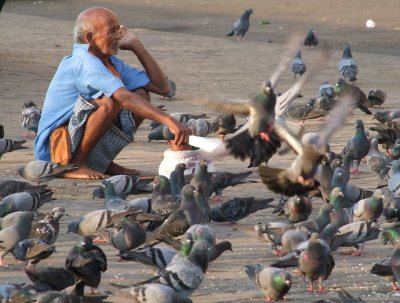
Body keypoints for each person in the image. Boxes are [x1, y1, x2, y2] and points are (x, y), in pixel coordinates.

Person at [34, 7, 191, 180]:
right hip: (54, 150)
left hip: (71, 139)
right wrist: (168, 120)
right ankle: (76, 164)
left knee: (140, 94)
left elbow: (163, 88)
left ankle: (101, 161)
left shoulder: (110, 61)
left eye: (119, 29)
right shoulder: (84, 62)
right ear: (89, 38)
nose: (119, 35)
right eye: (112, 31)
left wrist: (136, 46)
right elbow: (123, 98)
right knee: (111, 101)